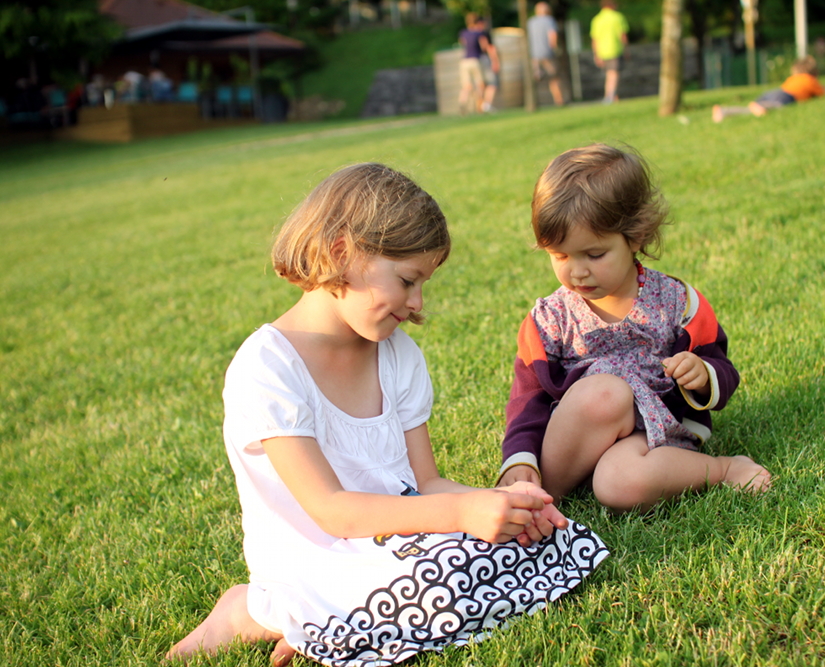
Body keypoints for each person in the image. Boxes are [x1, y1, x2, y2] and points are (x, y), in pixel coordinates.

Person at [165, 163, 607, 666]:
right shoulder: (269, 366)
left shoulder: (398, 356)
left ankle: (328, 626)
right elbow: (332, 510)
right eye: (407, 281)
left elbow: (427, 484)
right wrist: (462, 514)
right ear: (341, 253)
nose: (417, 304)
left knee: (546, 543)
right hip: (317, 558)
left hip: (398, 539)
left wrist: (501, 502)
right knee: (442, 586)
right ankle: (261, 610)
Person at [496, 144, 771, 512]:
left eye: (595, 254)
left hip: (652, 437)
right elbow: (527, 399)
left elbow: (722, 368)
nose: (577, 271)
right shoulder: (549, 320)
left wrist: (703, 374)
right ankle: (544, 497)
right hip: (577, 438)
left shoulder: (676, 303)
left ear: (636, 236)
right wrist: (520, 459)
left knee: (620, 484)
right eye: (560, 255)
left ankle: (723, 469)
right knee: (603, 394)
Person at [713, 55, 825, 122]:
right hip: (787, 96)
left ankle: (724, 111)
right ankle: (761, 107)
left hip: (776, 91)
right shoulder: (810, 80)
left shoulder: (793, 78)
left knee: (749, 110)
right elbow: (822, 93)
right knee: (775, 106)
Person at [457, 14, 499, 114]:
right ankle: (481, 106)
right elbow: (485, 47)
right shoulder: (479, 34)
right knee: (480, 84)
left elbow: (462, 43)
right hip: (475, 60)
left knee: (466, 86)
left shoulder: (463, 33)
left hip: (464, 61)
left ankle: (462, 103)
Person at [590, 0, 628, 104]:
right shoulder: (617, 17)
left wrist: (596, 54)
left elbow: (595, 39)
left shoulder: (597, 19)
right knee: (614, 74)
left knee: (609, 75)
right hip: (614, 49)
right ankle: (610, 97)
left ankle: (612, 96)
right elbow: (622, 35)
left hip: (602, 51)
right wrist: (626, 49)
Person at [527, 2, 565, 107]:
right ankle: (559, 100)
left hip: (534, 55)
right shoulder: (549, 20)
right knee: (554, 76)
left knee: (536, 78)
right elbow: (552, 35)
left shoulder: (530, 22)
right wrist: (555, 48)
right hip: (547, 53)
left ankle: (533, 103)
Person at [475, 16, 501, 112]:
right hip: (485, 60)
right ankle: (486, 105)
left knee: (481, 84)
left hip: (475, 61)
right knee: (492, 83)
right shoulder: (483, 34)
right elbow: (489, 47)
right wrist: (495, 61)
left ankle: (480, 106)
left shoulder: (471, 34)